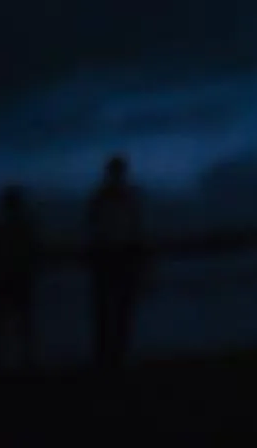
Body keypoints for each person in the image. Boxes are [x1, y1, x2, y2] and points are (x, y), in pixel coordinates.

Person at [85, 157, 144, 373]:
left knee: (116, 311)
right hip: (112, 257)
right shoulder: (115, 197)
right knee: (112, 311)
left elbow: (135, 228)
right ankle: (110, 357)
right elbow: (135, 228)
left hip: (115, 257)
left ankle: (112, 357)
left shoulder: (116, 197)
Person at [0, 185, 37, 369]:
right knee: (23, 321)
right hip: (19, 277)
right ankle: (25, 359)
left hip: (5, 277)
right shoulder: (24, 224)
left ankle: (0, 360)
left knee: (3, 320)